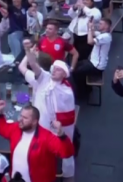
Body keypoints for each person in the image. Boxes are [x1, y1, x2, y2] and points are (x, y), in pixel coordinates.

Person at [18, 46, 76, 179]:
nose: (54, 70)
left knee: (51, 161)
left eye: (58, 69)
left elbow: (67, 115)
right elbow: (33, 65)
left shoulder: (66, 91)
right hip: (38, 127)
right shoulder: (44, 77)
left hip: (52, 131)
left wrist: (58, 126)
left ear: (64, 74)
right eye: (54, 68)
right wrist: (28, 51)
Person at [0, 100, 74, 182]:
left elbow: (67, 153)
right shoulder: (16, 128)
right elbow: (3, 128)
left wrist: (62, 135)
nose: (20, 119)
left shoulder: (46, 137)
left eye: (25, 118)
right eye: (21, 116)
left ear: (34, 121)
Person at [72, 18, 112, 99]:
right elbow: (93, 33)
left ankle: (83, 93)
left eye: (101, 24)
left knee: (76, 73)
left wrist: (90, 28)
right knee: (77, 64)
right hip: (92, 62)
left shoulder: (105, 37)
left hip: (97, 66)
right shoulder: (102, 34)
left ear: (106, 26)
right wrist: (91, 26)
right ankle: (85, 88)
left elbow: (90, 41)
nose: (99, 25)